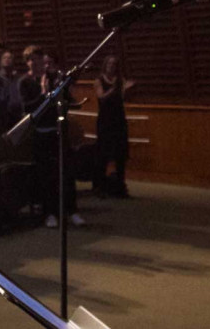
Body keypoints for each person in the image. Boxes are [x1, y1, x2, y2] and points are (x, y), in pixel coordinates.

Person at [18, 46, 85, 228]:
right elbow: (28, 108)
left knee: (66, 173)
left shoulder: (54, 78)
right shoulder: (25, 82)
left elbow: (67, 100)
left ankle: (72, 210)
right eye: (30, 59)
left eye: (37, 59)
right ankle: (50, 213)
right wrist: (43, 94)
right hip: (40, 133)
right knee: (46, 176)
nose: (34, 62)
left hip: (58, 130)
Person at [93, 55, 134, 198]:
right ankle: (100, 186)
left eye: (114, 64)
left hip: (118, 119)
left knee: (120, 153)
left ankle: (120, 185)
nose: (112, 66)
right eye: (109, 64)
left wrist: (126, 89)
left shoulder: (120, 79)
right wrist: (114, 88)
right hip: (105, 120)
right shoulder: (99, 81)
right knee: (103, 153)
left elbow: (123, 99)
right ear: (105, 65)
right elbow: (101, 98)